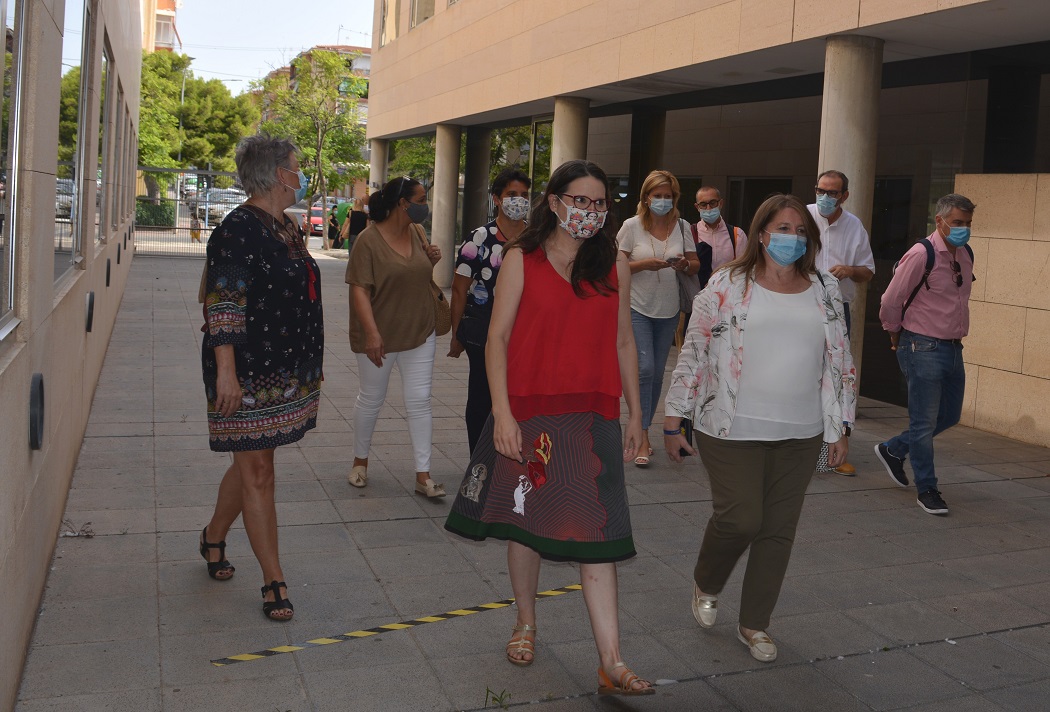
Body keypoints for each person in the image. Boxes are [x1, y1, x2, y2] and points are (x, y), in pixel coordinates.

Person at [444, 159, 655, 696]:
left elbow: (624, 342)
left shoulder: (615, 265)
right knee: (526, 524)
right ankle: (525, 622)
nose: (590, 211)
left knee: (599, 532)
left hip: (593, 416)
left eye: (599, 203)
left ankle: (611, 661)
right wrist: (503, 414)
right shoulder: (522, 258)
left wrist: (637, 416)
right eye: (580, 200)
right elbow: (496, 339)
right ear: (555, 202)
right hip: (531, 413)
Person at [664, 194, 855, 663]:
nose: (793, 238)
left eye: (801, 231)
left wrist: (839, 426)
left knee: (778, 530)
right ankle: (707, 581)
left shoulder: (825, 287)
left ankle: (754, 623)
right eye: (783, 228)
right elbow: (695, 348)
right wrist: (674, 415)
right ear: (762, 233)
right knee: (741, 518)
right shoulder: (727, 282)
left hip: (802, 430)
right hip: (730, 425)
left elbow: (840, 361)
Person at [199, 134, 324, 622]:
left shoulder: (285, 226)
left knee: (253, 462)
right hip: (245, 371)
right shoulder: (236, 230)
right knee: (258, 471)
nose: (301, 174)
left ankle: (213, 535)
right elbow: (222, 305)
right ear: (277, 174)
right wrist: (226, 375)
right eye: (296, 166)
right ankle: (274, 581)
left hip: (282, 369)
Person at [875, 194, 976, 516]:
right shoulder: (922, 253)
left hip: (953, 346)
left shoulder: (966, 253)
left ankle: (894, 449)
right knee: (923, 422)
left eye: (968, 223)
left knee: (950, 415)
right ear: (940, 220)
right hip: (921, 345)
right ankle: (927, 488)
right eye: (957, 222)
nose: (963, 229)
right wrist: (893, 330)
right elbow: (891, 299)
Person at [345, 177, 447, 498]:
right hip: (380, 336)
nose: (425, 206)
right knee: (371, 399)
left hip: (420, 330)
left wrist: (430, 262)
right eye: (421, 199)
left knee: (420, 401)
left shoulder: (417, 233)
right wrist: (372, 334)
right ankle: (360, 462)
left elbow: (416, 277)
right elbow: (359, 290)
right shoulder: (368, 240)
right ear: (403, 203)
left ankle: (423, 475)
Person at [616, 170, 700, 466]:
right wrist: (644, 265)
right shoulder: (631, 226)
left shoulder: (683, 226)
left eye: (668, 196)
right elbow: (616, 265)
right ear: (646, 197)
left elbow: (695, 263)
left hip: (669, 310)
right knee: (646, 368)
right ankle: (641, 436)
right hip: (636, 307)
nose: (663, 201)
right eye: (658, 195)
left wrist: (684, 264)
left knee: (656, 374)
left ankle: (643, 428)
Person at [448, 168, 531, 454]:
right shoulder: (479, 238)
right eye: (511, 194)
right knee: (483, 396)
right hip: (483, 329)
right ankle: (480, 460)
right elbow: (459, 289)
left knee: (520, 397)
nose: (519, 201)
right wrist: (456, 334)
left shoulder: (537, 239)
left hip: (525, 330)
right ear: (497, 199)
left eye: (524, 195)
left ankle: (513, 458)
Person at [806, 170, 875, 477]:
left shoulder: (854, 225)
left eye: (832, 193)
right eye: (820, 190)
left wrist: (849, 270)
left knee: (836, 379)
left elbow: (868, 272)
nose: (825, 197)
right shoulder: (802, 216)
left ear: (844, 196)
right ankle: (798, 446)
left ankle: (834, 449)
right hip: (801, 306)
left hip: (837, 311)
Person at [692, 186, 746, 275]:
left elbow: (742, 269)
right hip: (698, 284)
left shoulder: (737, 234)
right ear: (697, 207)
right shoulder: (690, 233)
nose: (708, 208)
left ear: (720, 203)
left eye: (712, 203)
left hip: (728, 283)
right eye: (703, 204)